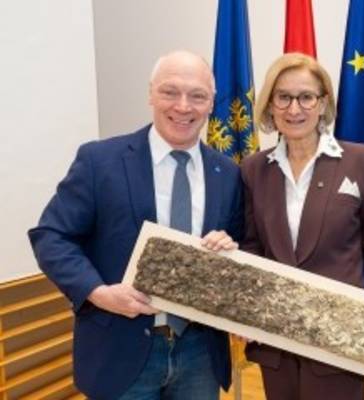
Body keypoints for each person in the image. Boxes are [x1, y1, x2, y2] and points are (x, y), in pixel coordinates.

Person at [28, 50, 243, 400]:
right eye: (170, 92)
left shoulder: (228, 173)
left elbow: (241, 246)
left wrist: (229, 247)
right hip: (119, 350)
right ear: (150, 94)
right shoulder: (100, 161)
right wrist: (98, 293)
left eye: (197, 96)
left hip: (201, 354)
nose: (183, 106)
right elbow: (52, 236)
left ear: (211, 103)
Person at [240, 52, 364, 400]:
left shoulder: (362, 161)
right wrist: (246, 307)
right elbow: (252, 247)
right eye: (283, 97)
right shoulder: (254, 169)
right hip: (276, 341)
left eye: (306, 97)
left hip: (339, 341)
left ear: (323, 103)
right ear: (270, 104)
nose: (294, 109)